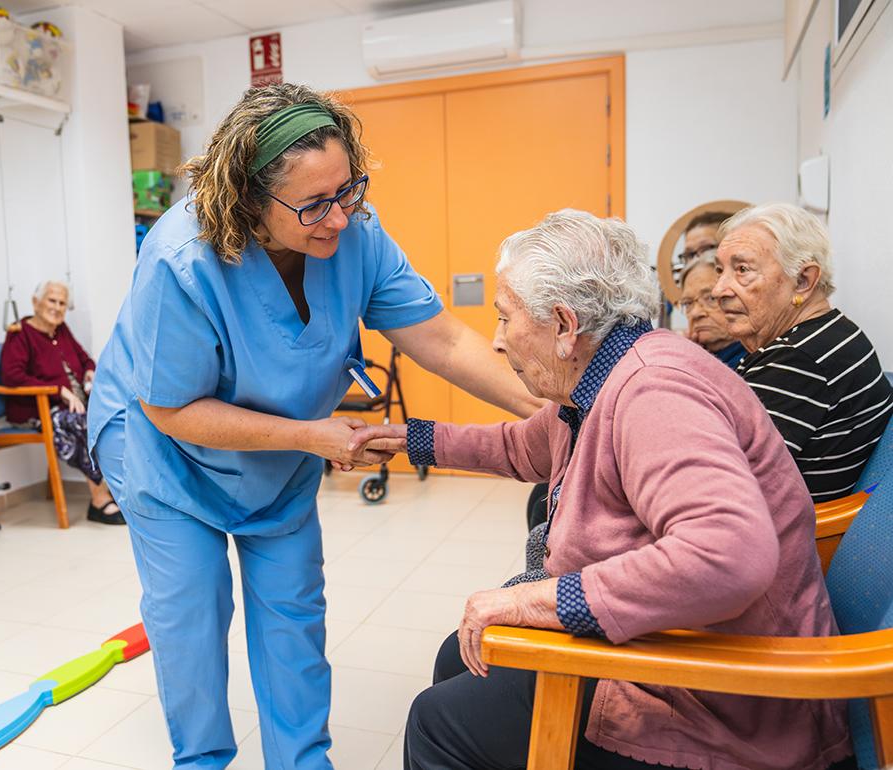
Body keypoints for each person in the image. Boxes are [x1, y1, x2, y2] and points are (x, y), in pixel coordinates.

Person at [87, 83, 543, 769]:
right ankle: (202, 760)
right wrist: (307, 435)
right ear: (248, 199)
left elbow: (443, 340)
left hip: (281, 451)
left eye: (348, 190)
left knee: (293, 615)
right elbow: (171, 408)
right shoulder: (181, 260)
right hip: (164, 450)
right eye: (313, 204)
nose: (338, 218)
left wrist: (556, 413)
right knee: (190, 617)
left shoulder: (357, 234)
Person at [351, 210, 852, 770]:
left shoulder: (653, 391)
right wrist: (409, 440)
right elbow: (525, 448)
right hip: (679, 644)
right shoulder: (606, 375)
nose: (496, 341)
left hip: (729, 701)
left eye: (504, 318)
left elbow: (727, 555)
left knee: (437, 721)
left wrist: (532, 598)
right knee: (459, 659)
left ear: (565, 326)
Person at [712, 203, 893, 502]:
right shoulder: (828, 334)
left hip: (785, 539)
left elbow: (719, 482)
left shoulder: (799, 359)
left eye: (742, 270)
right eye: (720, 271)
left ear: (803, 281)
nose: (719, 289)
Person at [0, 281, 122, 524]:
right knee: (82, 423)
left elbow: (85, 359)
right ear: (36, 302)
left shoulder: (61, 329)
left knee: (116, 416)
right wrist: (60, 391)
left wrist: (88, 372)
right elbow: (11, 375)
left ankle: (119, 490)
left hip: (75, 403)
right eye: (51, 301)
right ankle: (99, 500)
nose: (57, 307)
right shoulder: (20, 333)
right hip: (37, 409)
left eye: (62, 303)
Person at [677, 249, 746, 367]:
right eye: (688, 303)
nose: (695, 313)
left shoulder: (758, 361)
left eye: (711, 298)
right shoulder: (688, 357)